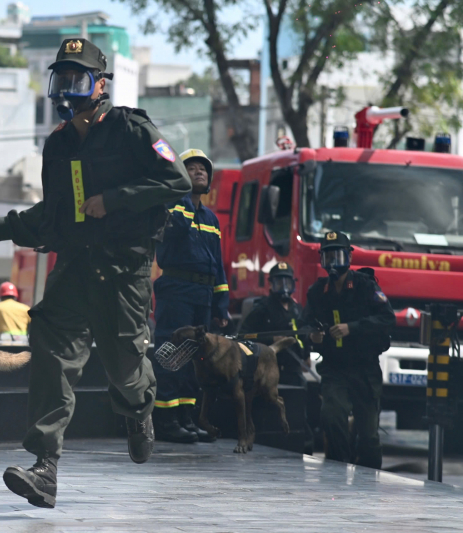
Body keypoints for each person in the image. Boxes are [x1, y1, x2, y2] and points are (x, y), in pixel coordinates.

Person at [0, 38, 191, 508]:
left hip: (124, 269)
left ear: (100, 85)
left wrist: (114, 199)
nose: (68, 89)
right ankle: (45, 468)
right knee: (50, 344)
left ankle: (138, 409)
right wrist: (0, 230)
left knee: (124, 367)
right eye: (62, 79)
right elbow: (52, 215)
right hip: (74, 265)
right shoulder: (58, 145)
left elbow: (179, 180)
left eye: (78, 79)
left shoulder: (133, 130)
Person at [151, 148, 228, 444]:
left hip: (203, 295)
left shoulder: (211, 219)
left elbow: (218, 265)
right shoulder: (170, 206)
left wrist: (221, 304)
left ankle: (187, 418)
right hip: (177, 291)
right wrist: (180, 191)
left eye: (203, 169)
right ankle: (166, 420)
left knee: (196, 360)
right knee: (172, 357)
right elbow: (178, 228)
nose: (199, 172)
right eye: (191, 168)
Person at [302, 231, 395, 469]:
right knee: (331, 417)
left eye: (338, 256)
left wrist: (351, 328)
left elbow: (387, 318)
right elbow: (305, 324)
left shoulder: (366, 286)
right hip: (335, 369)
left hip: (365, 370)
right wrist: (313, 336)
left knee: (369, 436)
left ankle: (370, 480)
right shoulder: (316, 292)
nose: (333, 263)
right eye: (328, 257)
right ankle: (337, 471)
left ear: (348, 258)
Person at [240, 262, 313, 452]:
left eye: (287, 282)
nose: (284, 287)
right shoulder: (262, 308)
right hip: (268, 371)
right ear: (271, 284)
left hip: (294, 370)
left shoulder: (297, 309)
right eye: (279, 282)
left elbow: (304, 335)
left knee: (299, 413)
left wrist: (306, 355)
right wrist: (272, 339)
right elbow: (243, 335)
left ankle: (303, 448)